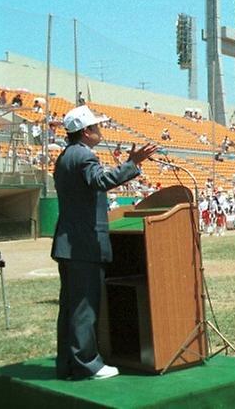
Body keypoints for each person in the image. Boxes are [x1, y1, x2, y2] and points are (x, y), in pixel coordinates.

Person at [51, 105, 157, 380]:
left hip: (70, 243)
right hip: (83, 244)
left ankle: (69, 364)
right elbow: (102, 180)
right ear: (86, 132)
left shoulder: (66, 156)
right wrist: (132, 164)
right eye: (97, 127)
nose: (100, 130)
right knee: (84, 307)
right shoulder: (84, 157)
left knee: (72, 307)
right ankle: (87, 364)